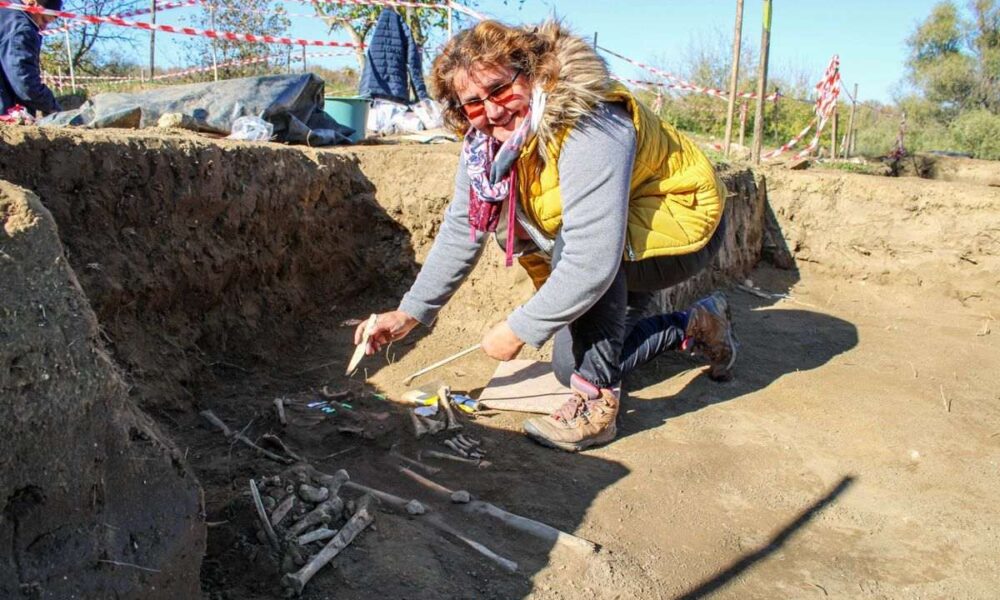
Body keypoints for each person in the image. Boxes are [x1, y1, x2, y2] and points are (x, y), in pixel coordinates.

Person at [355, 20, 737, 452]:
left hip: (684, 219)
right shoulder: (484, 145)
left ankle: (597, 408)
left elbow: (591, 257)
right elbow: (464, 227)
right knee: (568, 367)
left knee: (578, 273)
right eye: (473, 104)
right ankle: (698, 322)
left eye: (500, 89)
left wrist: (519, 328)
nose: (492, 111)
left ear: (532, 71)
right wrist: (410, 314)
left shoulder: (590, 119)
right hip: (618, 225)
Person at [0, 0, 62, 117]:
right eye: (43, 20)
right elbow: (25, 82)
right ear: (32, 4)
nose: (43, 28)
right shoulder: (21, 28)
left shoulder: (5, 12)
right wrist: (53, 106)